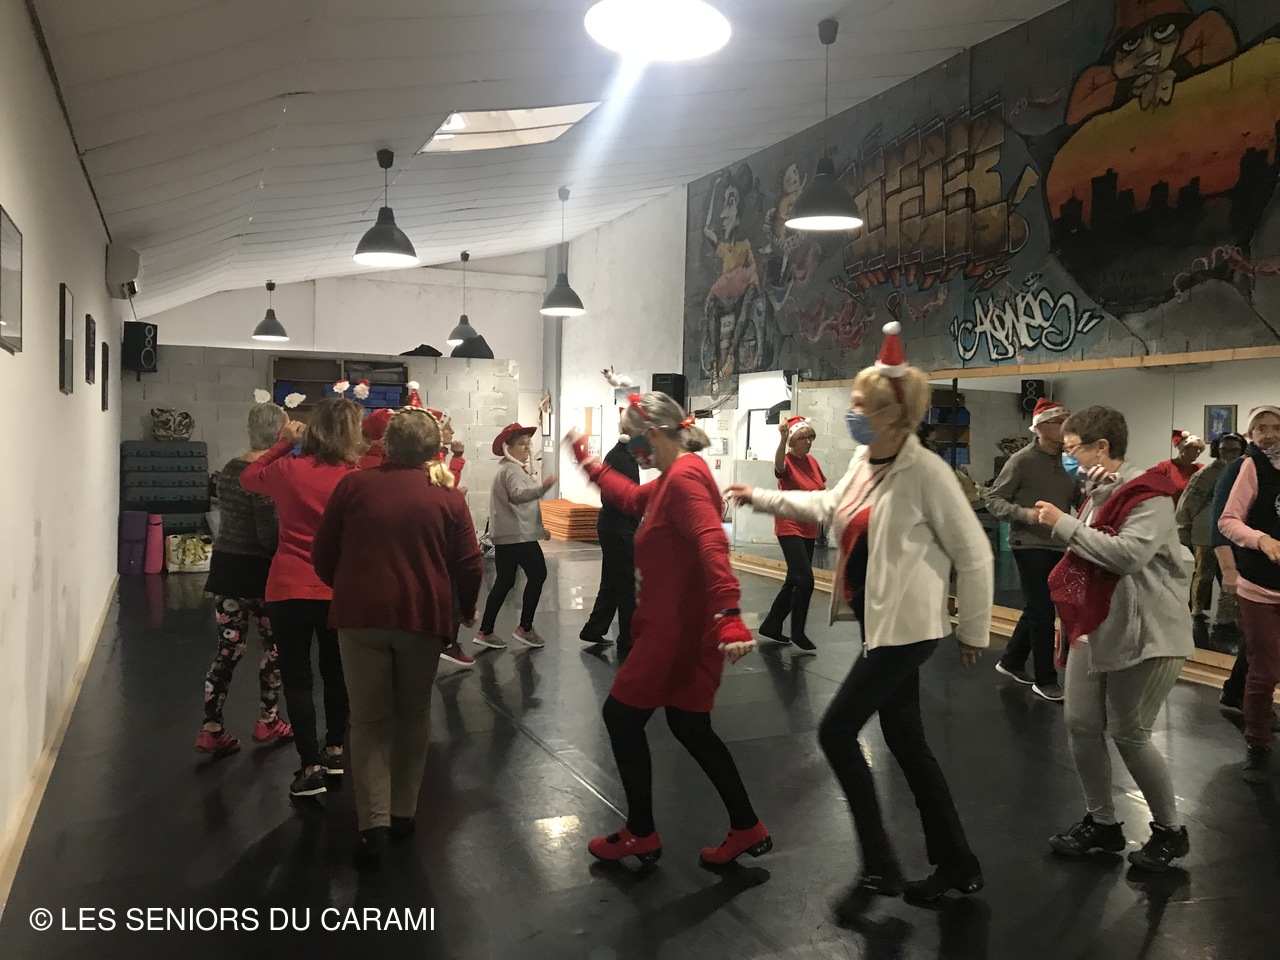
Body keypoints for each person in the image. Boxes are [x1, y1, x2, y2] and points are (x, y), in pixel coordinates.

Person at [727, 322, 992, 905]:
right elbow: (829, 504)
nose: (852, 413)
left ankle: (879, 865)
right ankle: (958, 863)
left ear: (893, 412)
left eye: (860, 405)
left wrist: (973, 629)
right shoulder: (865, 460)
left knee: (836, 731)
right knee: (907, 744)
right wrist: (761, 497)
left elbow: (974, 553)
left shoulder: (927, 473)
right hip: (880, 625)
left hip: (908, 630)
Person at [565, 392, 769, 867]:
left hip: (676, 633)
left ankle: (641, 832)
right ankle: (747, 826)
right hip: (678, 628)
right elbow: (630, 497)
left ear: (653, 434)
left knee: (622, 717)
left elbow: (711, 539)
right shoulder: (674, 477)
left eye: (633, 439)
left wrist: (729, 613)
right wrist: (588, 463)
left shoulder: (684, 478)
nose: (632, 449)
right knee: (689, 725)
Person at [313, 410, 484, 867]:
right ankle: (403, 813)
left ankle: (373, 825)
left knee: (368, 721)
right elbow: (469, 562)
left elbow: (323, 553)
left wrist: (346, 586)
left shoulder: (353, 486)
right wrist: (467, 607)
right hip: (421, 619)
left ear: (386, 444)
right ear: (434, 451)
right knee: (413, 715)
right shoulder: (447, 496)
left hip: (359, 616)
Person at [1035, 405, 1193, 872]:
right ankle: (1102, 822)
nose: (1067, 457)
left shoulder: (1148, 495)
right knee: (1081, 724)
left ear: (1101, 447)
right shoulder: (1100, 492)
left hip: (1147, 632)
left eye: (1072, 449)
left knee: (1130, 734)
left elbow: (1126, 556)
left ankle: (1169, 830)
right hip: (1099, 625)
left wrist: (1063, 523)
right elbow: (1089, 549)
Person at [241, 397, 361, 798]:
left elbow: (248, 476)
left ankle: (310, 767)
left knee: (297, 677)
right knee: (335, 671)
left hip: (288, 586)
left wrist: (282, 442)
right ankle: (336, 749)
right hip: (336, 587)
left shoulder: (287, 469)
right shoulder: (353, 477)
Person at [195, 402, 292, 756]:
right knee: (275, 648)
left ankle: (211, 728)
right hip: (260, 575)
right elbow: (268, 537)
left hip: (227, 569)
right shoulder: (266, 476)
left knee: (228, 650)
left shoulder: (230, 469)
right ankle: (268, 720)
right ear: (280, 432)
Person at [985, 398, 1078, 702]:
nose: (1064, 426)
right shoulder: (1022, 461)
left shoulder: (1070, 461)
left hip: (1058, 541)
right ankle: (1045, 678)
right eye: (1058, 421)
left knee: (1038, 606)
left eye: (1066, 420)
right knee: (1043, 611)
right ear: (1040, 427)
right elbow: (994, 499)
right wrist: (1023, 514)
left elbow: (1078, 496)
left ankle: (1011, 660)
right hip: (1028, 543)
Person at [1218, 405, 1280, 783]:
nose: (1270, 434)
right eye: (1262, 428)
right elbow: (1226, 521)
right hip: (1259, 586)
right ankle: (1257, 741)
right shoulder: (1250, 467)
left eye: (1276, 427)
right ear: (1251, 434)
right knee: (1264, 669)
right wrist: (1261, 540)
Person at [474, 423, 555, 649]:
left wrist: (539, 529)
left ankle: (485, 630)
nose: (527, 448)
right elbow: (518, 496)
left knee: (505, 581)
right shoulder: (511, 470)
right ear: (508, 448)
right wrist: (543, 488)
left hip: (510, 535)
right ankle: (525, 627)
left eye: (528, 443)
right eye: (521, 444)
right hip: (518, 536)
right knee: (538, 574)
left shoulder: (512, 470)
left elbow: (521, 506)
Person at [758, 416, 826, 653]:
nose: (808, 442)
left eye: (810, 438)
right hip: (789, 525)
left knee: (794, 580)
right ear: (793, 441)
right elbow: (779, 466)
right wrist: (782, 438)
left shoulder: (812, 462)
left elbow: (821, 489)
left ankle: (771, 625)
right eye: (803, 438)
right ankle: (798, 631)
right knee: (805, 580)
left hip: (809, 526)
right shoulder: (786, 460)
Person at [1177, 432, 1246, 647]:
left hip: (1233, 533)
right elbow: (1188, 504)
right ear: (1217, 450)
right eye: (1225, 450)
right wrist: (1184, 531)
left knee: (1230, 575)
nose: (1230, 454)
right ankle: (1197, 613)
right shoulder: (1207, 474)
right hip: (1205, 531)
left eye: (1235, 450)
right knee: (1204, 573)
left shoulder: (1244, 471)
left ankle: (1226, 618)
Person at [579, 437, 639, 656]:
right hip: (618, 528)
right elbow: (622, 498)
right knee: (626, 584)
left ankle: (594, 629)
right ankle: (628, 638)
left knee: (613, 581)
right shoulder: (622, 459)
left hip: (614, 527)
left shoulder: (621, 456)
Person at [1150, 429, 1204, 505]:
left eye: (1200, 449)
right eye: (1195, 448)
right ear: (1184, 449)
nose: (1198, 452)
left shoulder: (1199, 468)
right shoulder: (1165, 467)